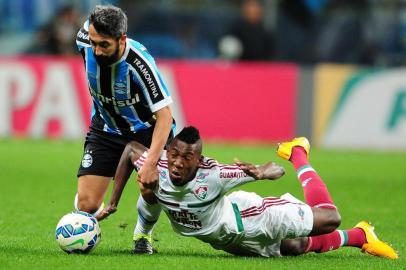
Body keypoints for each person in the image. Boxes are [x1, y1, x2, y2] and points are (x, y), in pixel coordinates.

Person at [97, 126, 398, 259]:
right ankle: (360, 237)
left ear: (198, 161)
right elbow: (129, 151)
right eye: (174, 154)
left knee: (330, 218)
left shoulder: (214, 174)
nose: (177, 163)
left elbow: (271, 171)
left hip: (250, 218)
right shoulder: (158, 165)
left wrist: (265, 171)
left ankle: (298, 154)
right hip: (229, 241)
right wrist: (113, 201)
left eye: (186, 158)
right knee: (291, 248)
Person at [74, 5, 175, 254]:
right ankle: (82, 229)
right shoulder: (84, 40)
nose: (96, 50)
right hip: (106, 130)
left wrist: (151, 162)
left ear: (121, 39)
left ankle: (143, 234)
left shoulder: (139, 64)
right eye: (94, 43)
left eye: (104, 45)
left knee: (150, 186)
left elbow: (165, 116)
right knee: (86, 204)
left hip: (146, 132)